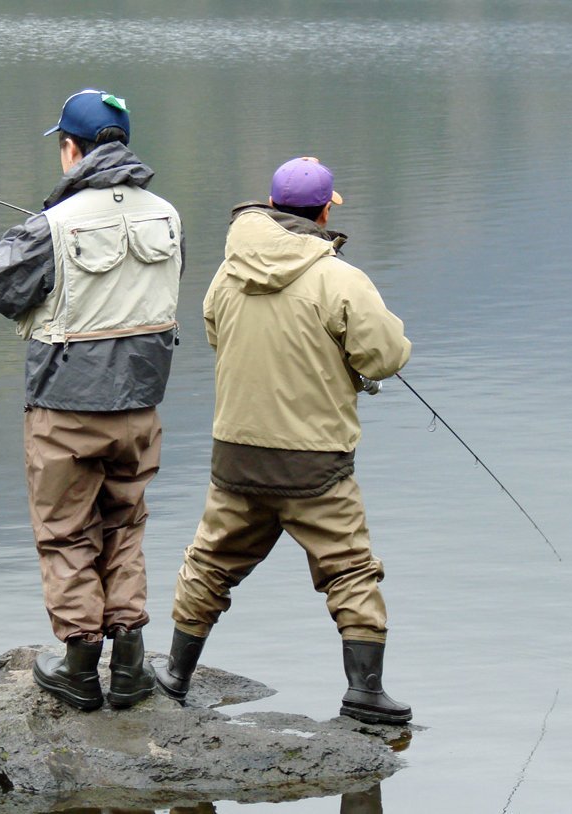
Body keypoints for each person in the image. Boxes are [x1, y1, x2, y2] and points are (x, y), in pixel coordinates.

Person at [154, 157, 412, 725]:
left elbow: (216, 334)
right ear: (324, 214)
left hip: (236, 456)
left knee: (210, 563)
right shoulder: (339, 279)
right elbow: (386, 357)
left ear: (271, 207)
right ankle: (365, 693)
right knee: (349, 570)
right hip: (314, 463)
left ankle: (174, 675)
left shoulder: (227, 274)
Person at [0, 89, 184, 712]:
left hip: (65, 408)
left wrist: (46, 222)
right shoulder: (168, 216)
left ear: (72, 149)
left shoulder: (52, 225)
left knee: (67, 533)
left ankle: (79, 668)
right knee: (125, 524)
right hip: (141, 407)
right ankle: (130, 665)